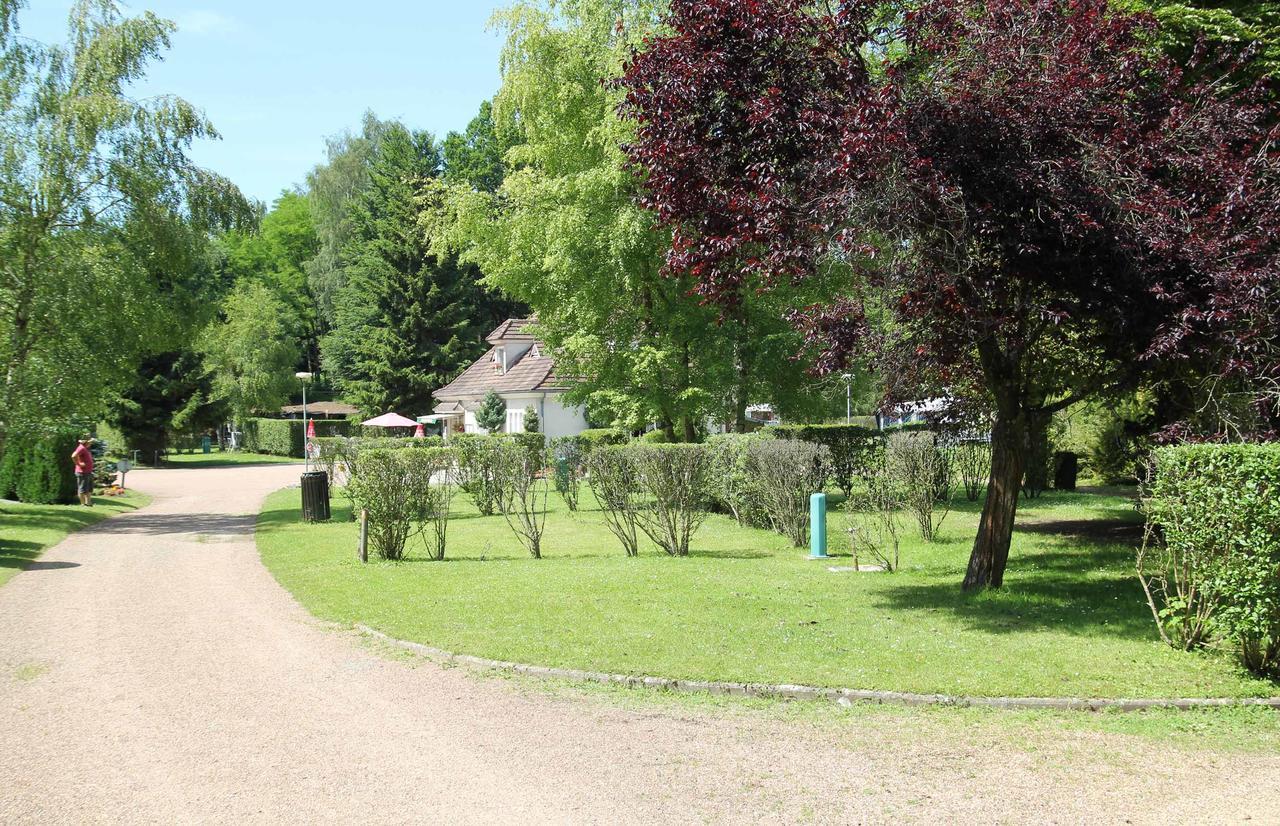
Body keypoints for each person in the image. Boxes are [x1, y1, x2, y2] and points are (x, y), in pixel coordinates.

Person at [71, 436, 95, 507]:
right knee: (82, 488)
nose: (91, 443)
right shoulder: (81, 448)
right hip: (82, 472)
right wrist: (78, 464)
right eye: (90, 441)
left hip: (87, 472)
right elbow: (73, 456)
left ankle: (89, 503)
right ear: (86, 442)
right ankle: (82, 504)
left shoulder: (85, 448)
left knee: (88, 489)